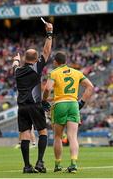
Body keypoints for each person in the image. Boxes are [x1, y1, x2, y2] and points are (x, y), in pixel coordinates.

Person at [43, 51, 94, 173]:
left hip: (60, 105)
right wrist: (81, 102)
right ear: (65, 61)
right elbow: (90, 86)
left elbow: (48, 88)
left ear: (56, 62)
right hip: (73, 104)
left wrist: (44, 100)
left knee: (58, 137)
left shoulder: (54, 73)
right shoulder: (77, 73)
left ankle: (57, 164)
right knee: (72, 136)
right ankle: (73, 164)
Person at [12, 21, 53, 173]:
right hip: (35, 105)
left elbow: (15, 65)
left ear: (24, 59)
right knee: (42, 132)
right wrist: (49, 33)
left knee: (24, 135)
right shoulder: (36, 68)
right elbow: (47, 51)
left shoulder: (17, 71)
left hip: (21, 107)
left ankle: (27, 166)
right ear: (36, 59)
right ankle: (40, 162)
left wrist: (16, 59)